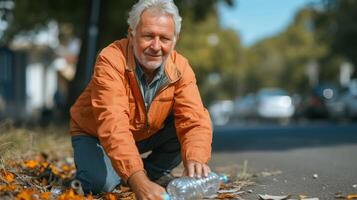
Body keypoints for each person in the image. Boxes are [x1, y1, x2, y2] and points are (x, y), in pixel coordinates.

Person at [69, 0, 212, 199]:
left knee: (185, 128)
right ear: (132, 34)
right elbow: (113, 124)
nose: (156, 46)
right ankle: (124, 173)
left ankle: (148, 173)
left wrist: (196, 158)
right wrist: (137, 180)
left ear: (175, 40)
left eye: (164, 38)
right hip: (95, 134)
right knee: (100, 184)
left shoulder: (181, 68)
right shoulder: (110, 59)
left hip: (143, 135)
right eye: (148, 36)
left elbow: (194, 119)